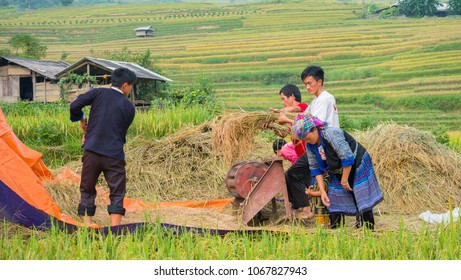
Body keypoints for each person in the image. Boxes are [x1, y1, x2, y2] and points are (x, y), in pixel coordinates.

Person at [70, 67, 137, 227]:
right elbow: (119, 131)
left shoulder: (98, 93)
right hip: (114, 155)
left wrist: (82, 122)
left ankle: (87, 226)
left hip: (92, 151)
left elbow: (74, 106)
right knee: (117, 192)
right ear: (125, 85)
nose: (131, 89)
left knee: (87, 188)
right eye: (131, 86)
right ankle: (115, 228)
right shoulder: (129, 107)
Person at [292, 114, 384, 230]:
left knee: (360, 194)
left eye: (308, 138)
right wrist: (322, 191)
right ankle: (336, 230)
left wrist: (344, 180)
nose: (307, 141)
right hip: (337, 166)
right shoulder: (310, 145)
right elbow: (315, 168)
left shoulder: (331, 134)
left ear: (315, 129)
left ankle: (368, 228)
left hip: (356, 161)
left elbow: (347, 158)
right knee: (335, 197)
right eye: (304, 140)